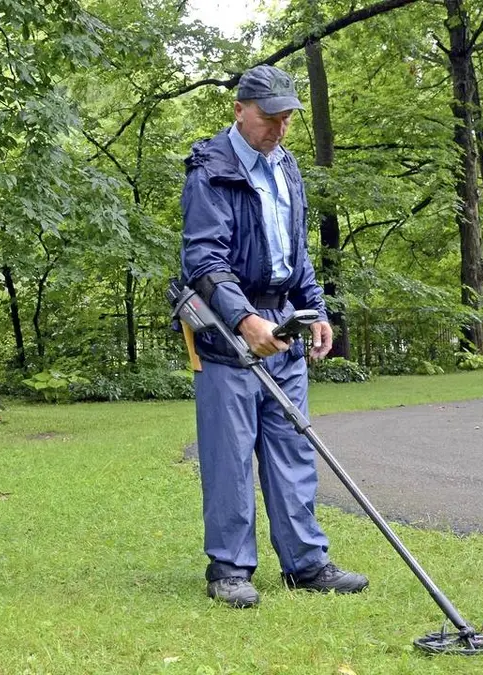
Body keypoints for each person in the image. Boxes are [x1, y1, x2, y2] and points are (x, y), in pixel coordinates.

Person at [180, 64, 369, 608]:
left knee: (292, 449)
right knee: (230, 456)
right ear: (239, 110)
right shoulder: (209, 171)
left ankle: (306, 564)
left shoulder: (286, 166)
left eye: (287, 118)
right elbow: (204, 259)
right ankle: (230, 569)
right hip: (225, 337)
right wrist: (245, 321)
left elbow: (297, 252)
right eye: (270, 118)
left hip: (284, 329)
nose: (280, 128)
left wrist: (315, 311)